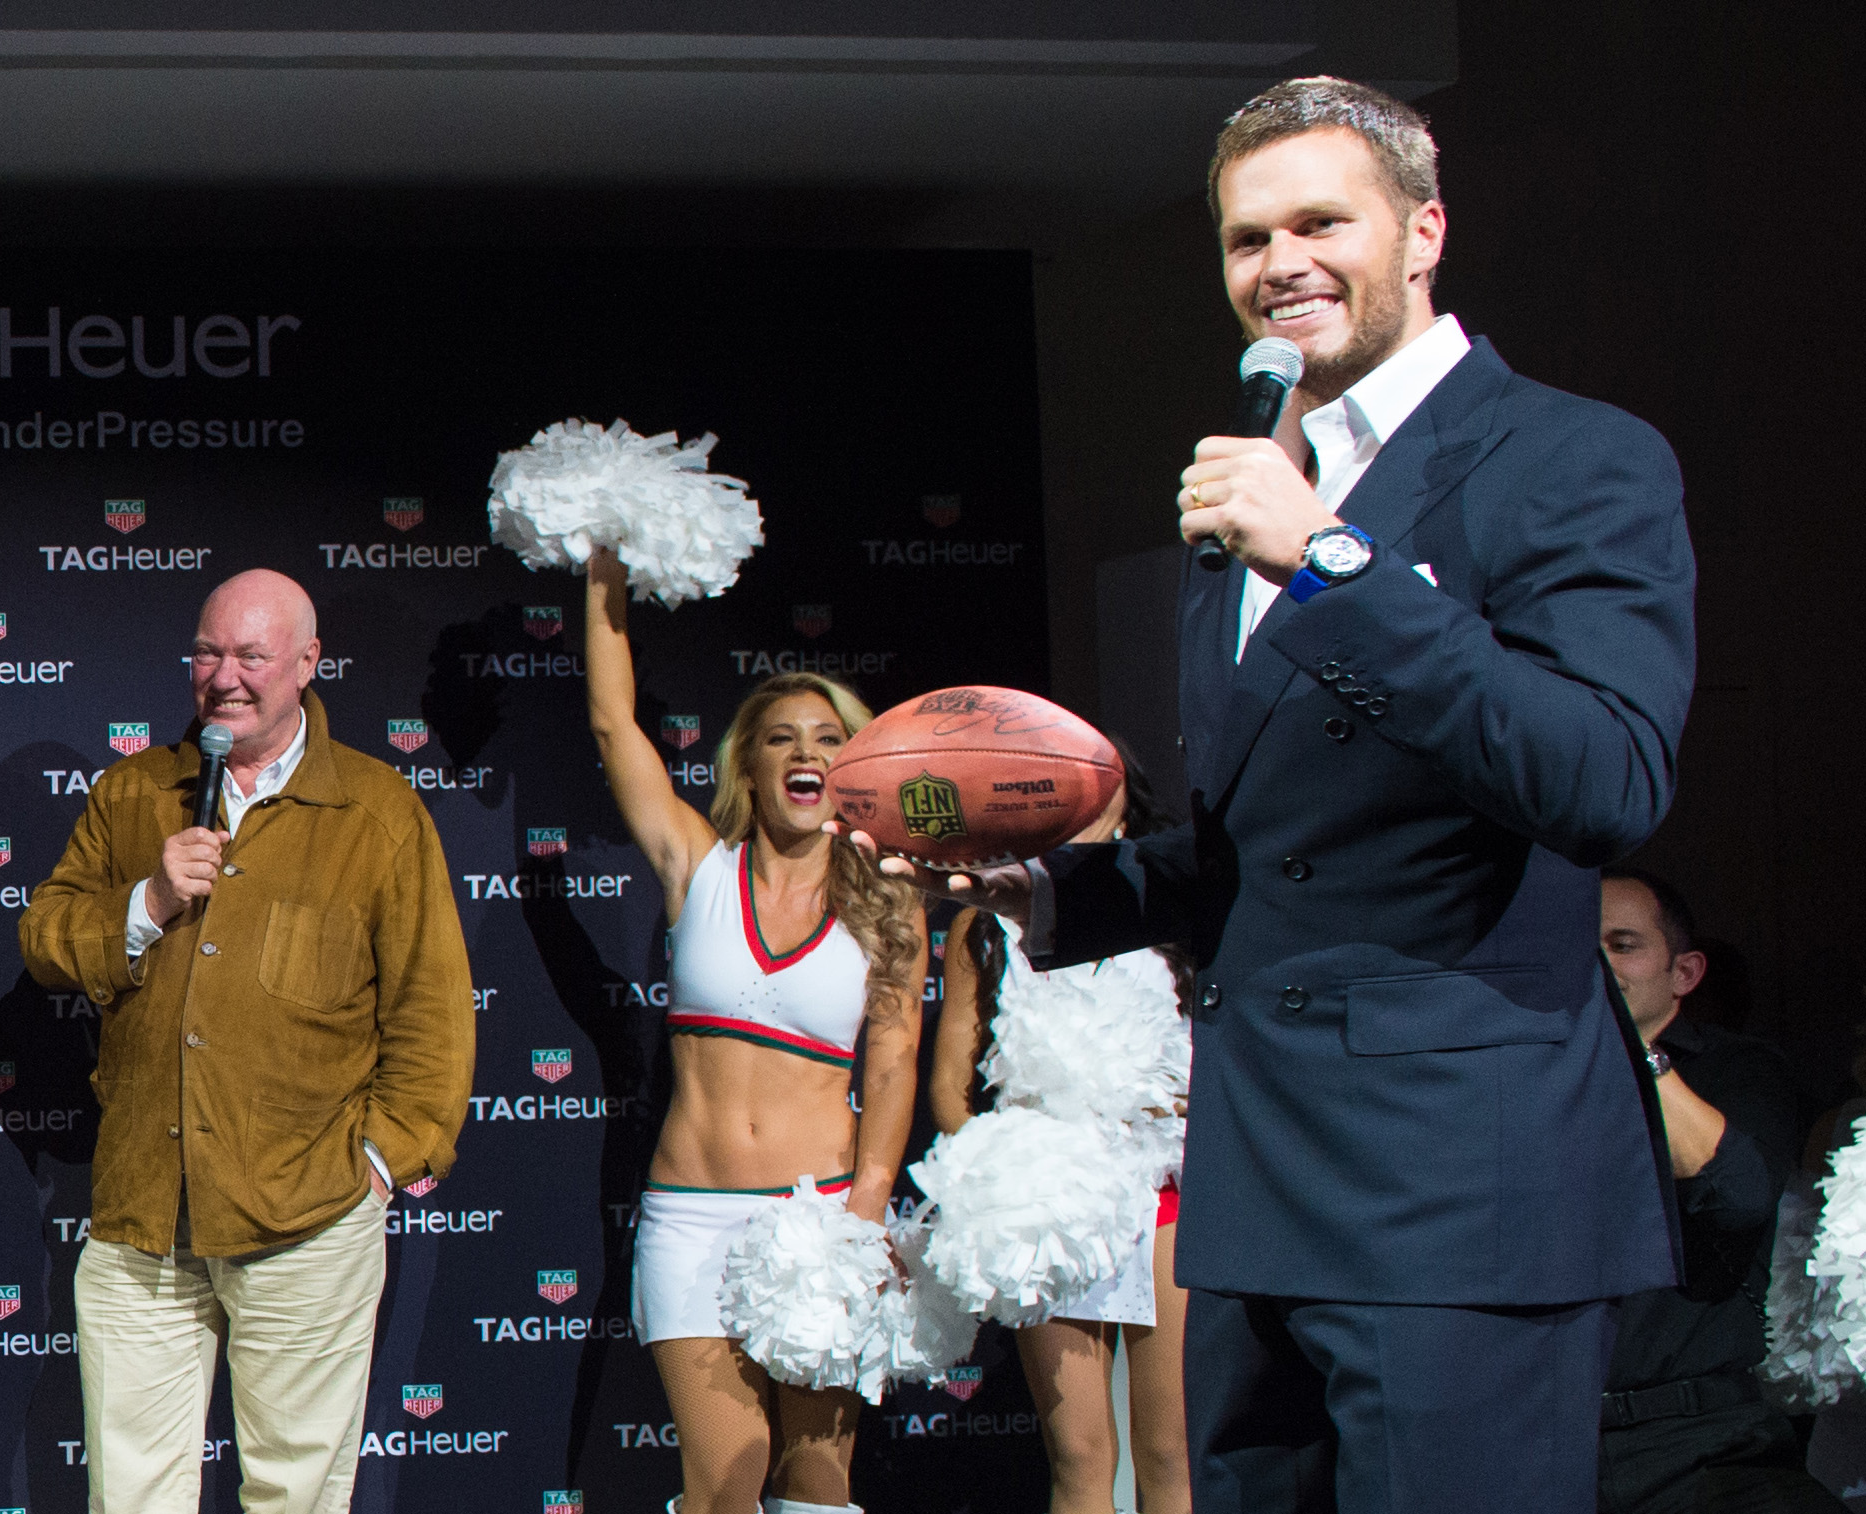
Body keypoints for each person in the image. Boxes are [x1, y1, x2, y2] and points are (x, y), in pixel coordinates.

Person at [845, 77, 1696, 1511]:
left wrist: (1333, 565)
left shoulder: (1569, 458)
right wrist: (1051, 888)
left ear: (1421, 231)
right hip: (1256, 1189)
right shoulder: (1246, 491)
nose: (1277, 264)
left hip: (1457, 1200)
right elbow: (1275, 854)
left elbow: (1599, 777)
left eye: (1319, 221)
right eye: (1246, 240)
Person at [19, 569, 475, 1514]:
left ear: (307, 664)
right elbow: (47, 939)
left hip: (306, 1217)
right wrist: (146, 901)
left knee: (296, 1493)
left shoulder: (377, 811)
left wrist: (381, 1165)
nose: (225, 676)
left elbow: (432, 1011)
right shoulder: (136, 791)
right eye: (208, 653)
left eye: (252, 655)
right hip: (143, 1216)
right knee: (131, 1495)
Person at [583, 546, 927, 1514]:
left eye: (826, 737)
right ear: (749, 761)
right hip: (689, 1221)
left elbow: (895, 1058)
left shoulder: (889, 902)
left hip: (819, 1220)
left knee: (816, 1488)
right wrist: (606, 553)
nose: (806, 753)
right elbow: (614, 723)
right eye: (781, 737)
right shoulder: (697, 864)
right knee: (725, 1488)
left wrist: (863, 1211)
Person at [930, 751, 1191, 1514]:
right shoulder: (987, 919)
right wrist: (1004, 1169)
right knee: (1079, 1455)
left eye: (1096, 790)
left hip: (1162, 1194)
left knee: (1169, 1451)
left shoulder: (1172, 909)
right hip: (1049, 1203)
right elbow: (951, 1086)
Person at [1599, 869, 1847, 1514]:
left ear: (1684, 973)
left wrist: (1631, 1051)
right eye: (1577, 946)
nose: (1593, 965)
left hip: (1694, 1440)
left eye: (1621, 945)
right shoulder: (1515, 1080)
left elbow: (1736, 1195)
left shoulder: (1737, 1069)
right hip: (1533, 1433)